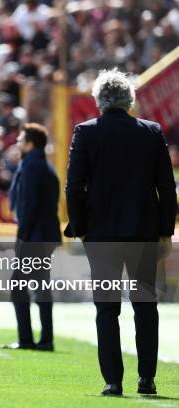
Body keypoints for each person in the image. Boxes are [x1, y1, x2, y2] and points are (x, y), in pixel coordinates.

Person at [65, 69, 176, 396]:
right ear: (129, 99)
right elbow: (166, 189)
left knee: (107, 308)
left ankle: (113, 381)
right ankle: (147, 379)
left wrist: (81, 228)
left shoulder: (85, 133)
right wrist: (166, 231)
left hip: (101, 235)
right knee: (145, 304)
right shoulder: (151, 132)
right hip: (143, 232)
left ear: (99, 100)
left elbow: (74, 188)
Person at [2, 123, 60, 351]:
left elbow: (29, 206)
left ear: (31, 143)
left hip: (35, 235)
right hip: (44, 234)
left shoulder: (32, 166)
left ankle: (29, 339)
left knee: (19, 286)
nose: (17, 143)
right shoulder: (41, 164)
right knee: (40, 286)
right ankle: (45, 339)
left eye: (21, 140)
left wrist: (23, 237)